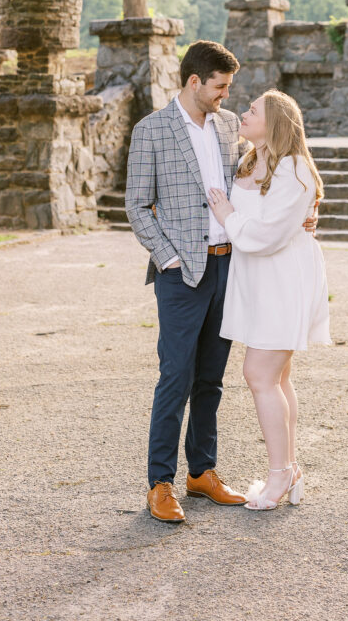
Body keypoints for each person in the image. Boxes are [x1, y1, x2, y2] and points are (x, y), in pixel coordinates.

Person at [125, 42, 318, 524]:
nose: (226, 95)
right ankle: (161, 483)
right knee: (175, 376)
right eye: (220, 87)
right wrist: (168, 258)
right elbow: (136, 205)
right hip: (182, 273)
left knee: (211, 378)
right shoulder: (150, 131)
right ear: (195, 82)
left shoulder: (231, 125)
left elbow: (268, 178)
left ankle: (202, 472)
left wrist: (305, 214)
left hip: (231, 269)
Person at [208, 89, 331, 511]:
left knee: (259, 374)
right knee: (278, 379)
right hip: (259, 280)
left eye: (253, 109)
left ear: (274, 122)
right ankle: (289, 469)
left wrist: (227, 216)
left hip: (282, 279)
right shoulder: (250, 160)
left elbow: (265, 234)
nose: (243, 112)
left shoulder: (294, 169)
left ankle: (280, 472)